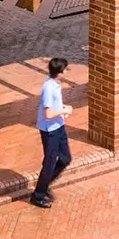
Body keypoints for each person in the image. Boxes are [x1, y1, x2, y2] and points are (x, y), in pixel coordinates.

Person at [31, 57, 72, 208]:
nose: (67, 72)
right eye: (65, 70)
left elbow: (56, 105)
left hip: (59, 127)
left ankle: (45, 183)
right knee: (49, 163)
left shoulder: (56, 84)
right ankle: (38, 195)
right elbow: (48, 115)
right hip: (49, 131)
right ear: (59, 73)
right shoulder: (48, 88)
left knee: (66, 158)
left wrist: (64, 107)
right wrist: (64, 110)